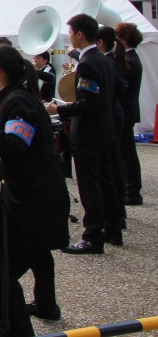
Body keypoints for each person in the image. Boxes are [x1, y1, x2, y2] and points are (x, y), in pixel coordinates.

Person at [0, 45, 69, 336]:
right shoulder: (17, 97)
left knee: (0, 269)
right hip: (39, 196)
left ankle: (14, 329)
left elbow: (14, 145)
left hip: (32, 200)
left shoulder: (17, 102)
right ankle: (46, 306)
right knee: (37, 253)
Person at [46, 14, 122, 255]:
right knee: (106, 182)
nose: (69, 36)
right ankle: (112, 229)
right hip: (106, 129)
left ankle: (92, 236)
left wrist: (58, 108)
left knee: (90, 185)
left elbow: (87, 103)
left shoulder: (88, 63)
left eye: (70, 32)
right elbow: (116, 92)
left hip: (89, 132)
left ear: (80, 34)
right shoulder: (106, 60)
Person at [95, 26, 128, 238]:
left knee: (111, 168)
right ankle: (117, 215)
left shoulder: (106, 61)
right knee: (113, 167)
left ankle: (116, 217)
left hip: (110, 116)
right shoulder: (110, 60)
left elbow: (120, 87)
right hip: (113, 114)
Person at [114, 22, 144, 205]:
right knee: (126, 150)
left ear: (123, 39)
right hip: (127, 110)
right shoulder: (131, 58)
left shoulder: (130, 60)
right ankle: (130, 188)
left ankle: (132, 191)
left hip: (125, 110)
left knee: (127, 152)